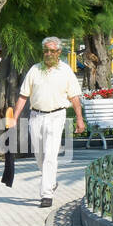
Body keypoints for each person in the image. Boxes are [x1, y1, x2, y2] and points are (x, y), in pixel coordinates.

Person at [6, 37, 86, 207]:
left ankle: (46, 194)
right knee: (40, 156)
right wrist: (14, 118)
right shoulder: (35, 70)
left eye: (52, 51)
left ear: (58, 52)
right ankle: (51, 182)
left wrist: (79, 119)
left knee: (50, 154)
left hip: (57, 116)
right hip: (36, 116)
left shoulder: (65, 71)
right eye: (46, 51)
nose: (48, 54)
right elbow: (23, 96)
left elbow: (75, 97)